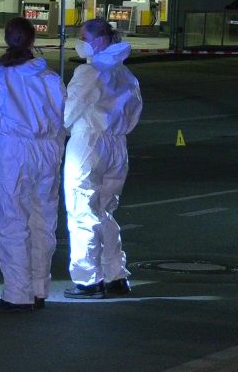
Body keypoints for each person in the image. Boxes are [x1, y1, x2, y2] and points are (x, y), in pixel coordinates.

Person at [0, 17, 66, 313]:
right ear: (32, 40)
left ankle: (17, 294)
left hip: (15, 152)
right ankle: (39, 288)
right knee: (43, 221)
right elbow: (65, 117)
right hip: (47, 152)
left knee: (13, 220)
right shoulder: (49, 76)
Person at [62, 18, 143, 299]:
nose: (79, 41)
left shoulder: (89, 72)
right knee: (106, 211)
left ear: (97, 41)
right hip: (117, 146)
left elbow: (67, 113)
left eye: (82, 36)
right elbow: (134, 113)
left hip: (89, 143)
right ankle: (115, 275)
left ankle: (88, 279)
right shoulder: (126, 75)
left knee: (82, 209)